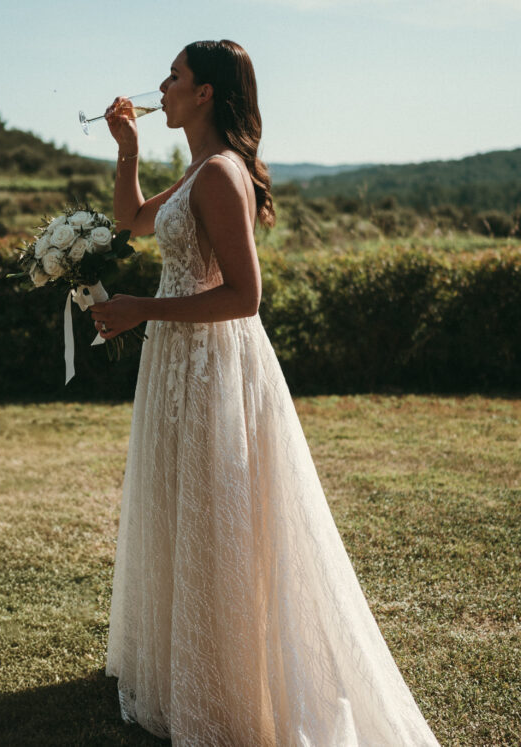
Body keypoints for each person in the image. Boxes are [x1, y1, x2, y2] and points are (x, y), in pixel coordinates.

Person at [89, 40, 440, 746]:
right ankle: (189, 669)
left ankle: (229, 687)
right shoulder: (199, 169)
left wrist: (140, 309)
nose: (162, 85)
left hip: (211, 363)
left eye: (175, 76)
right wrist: (127, 151)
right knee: (182, 505)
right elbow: (132, 222)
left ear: (204, 93)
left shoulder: (222, 173)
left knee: (216, 512)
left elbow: (244, 297)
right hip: (178, 362)